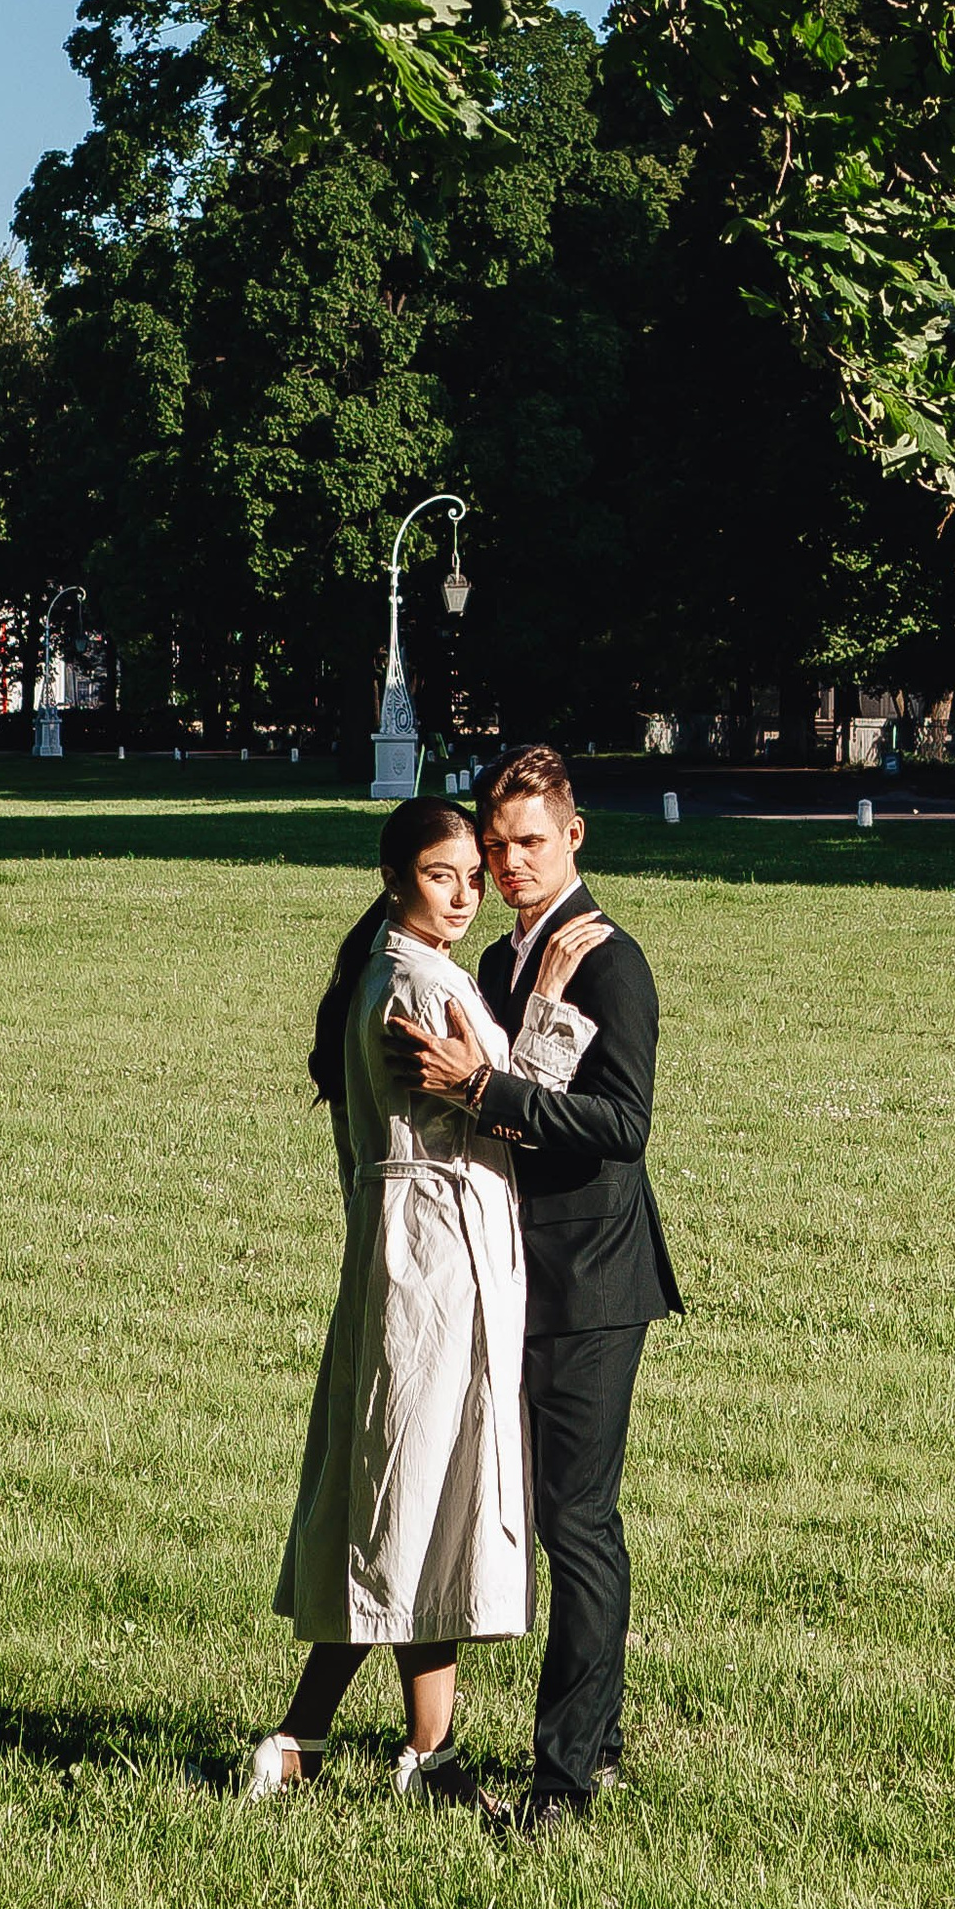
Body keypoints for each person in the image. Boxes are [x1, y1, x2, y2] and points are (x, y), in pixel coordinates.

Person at [387, 743, 683, 1830]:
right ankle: (592, 1744)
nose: (507, 864)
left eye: (527, 843)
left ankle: (563, 1785)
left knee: (577, 1525)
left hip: (593, 1281)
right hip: (511, 1271)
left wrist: (489, 1090)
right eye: (495, 844)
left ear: (573, 838)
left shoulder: (610, 963)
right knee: (548, 1518)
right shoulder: (509, 960)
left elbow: (622, 1126)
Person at [250, 795, 564, 1811]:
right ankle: (410, 1754)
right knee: (412, 1501)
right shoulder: (413, 985)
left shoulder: (410, 970)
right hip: (431, 1260)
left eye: (475, 874)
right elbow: (515, 1111)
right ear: (397, 880)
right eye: (444, 875)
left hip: (421, 1250)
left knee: (409, 1500)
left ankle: (332, 1743)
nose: (468, 892)